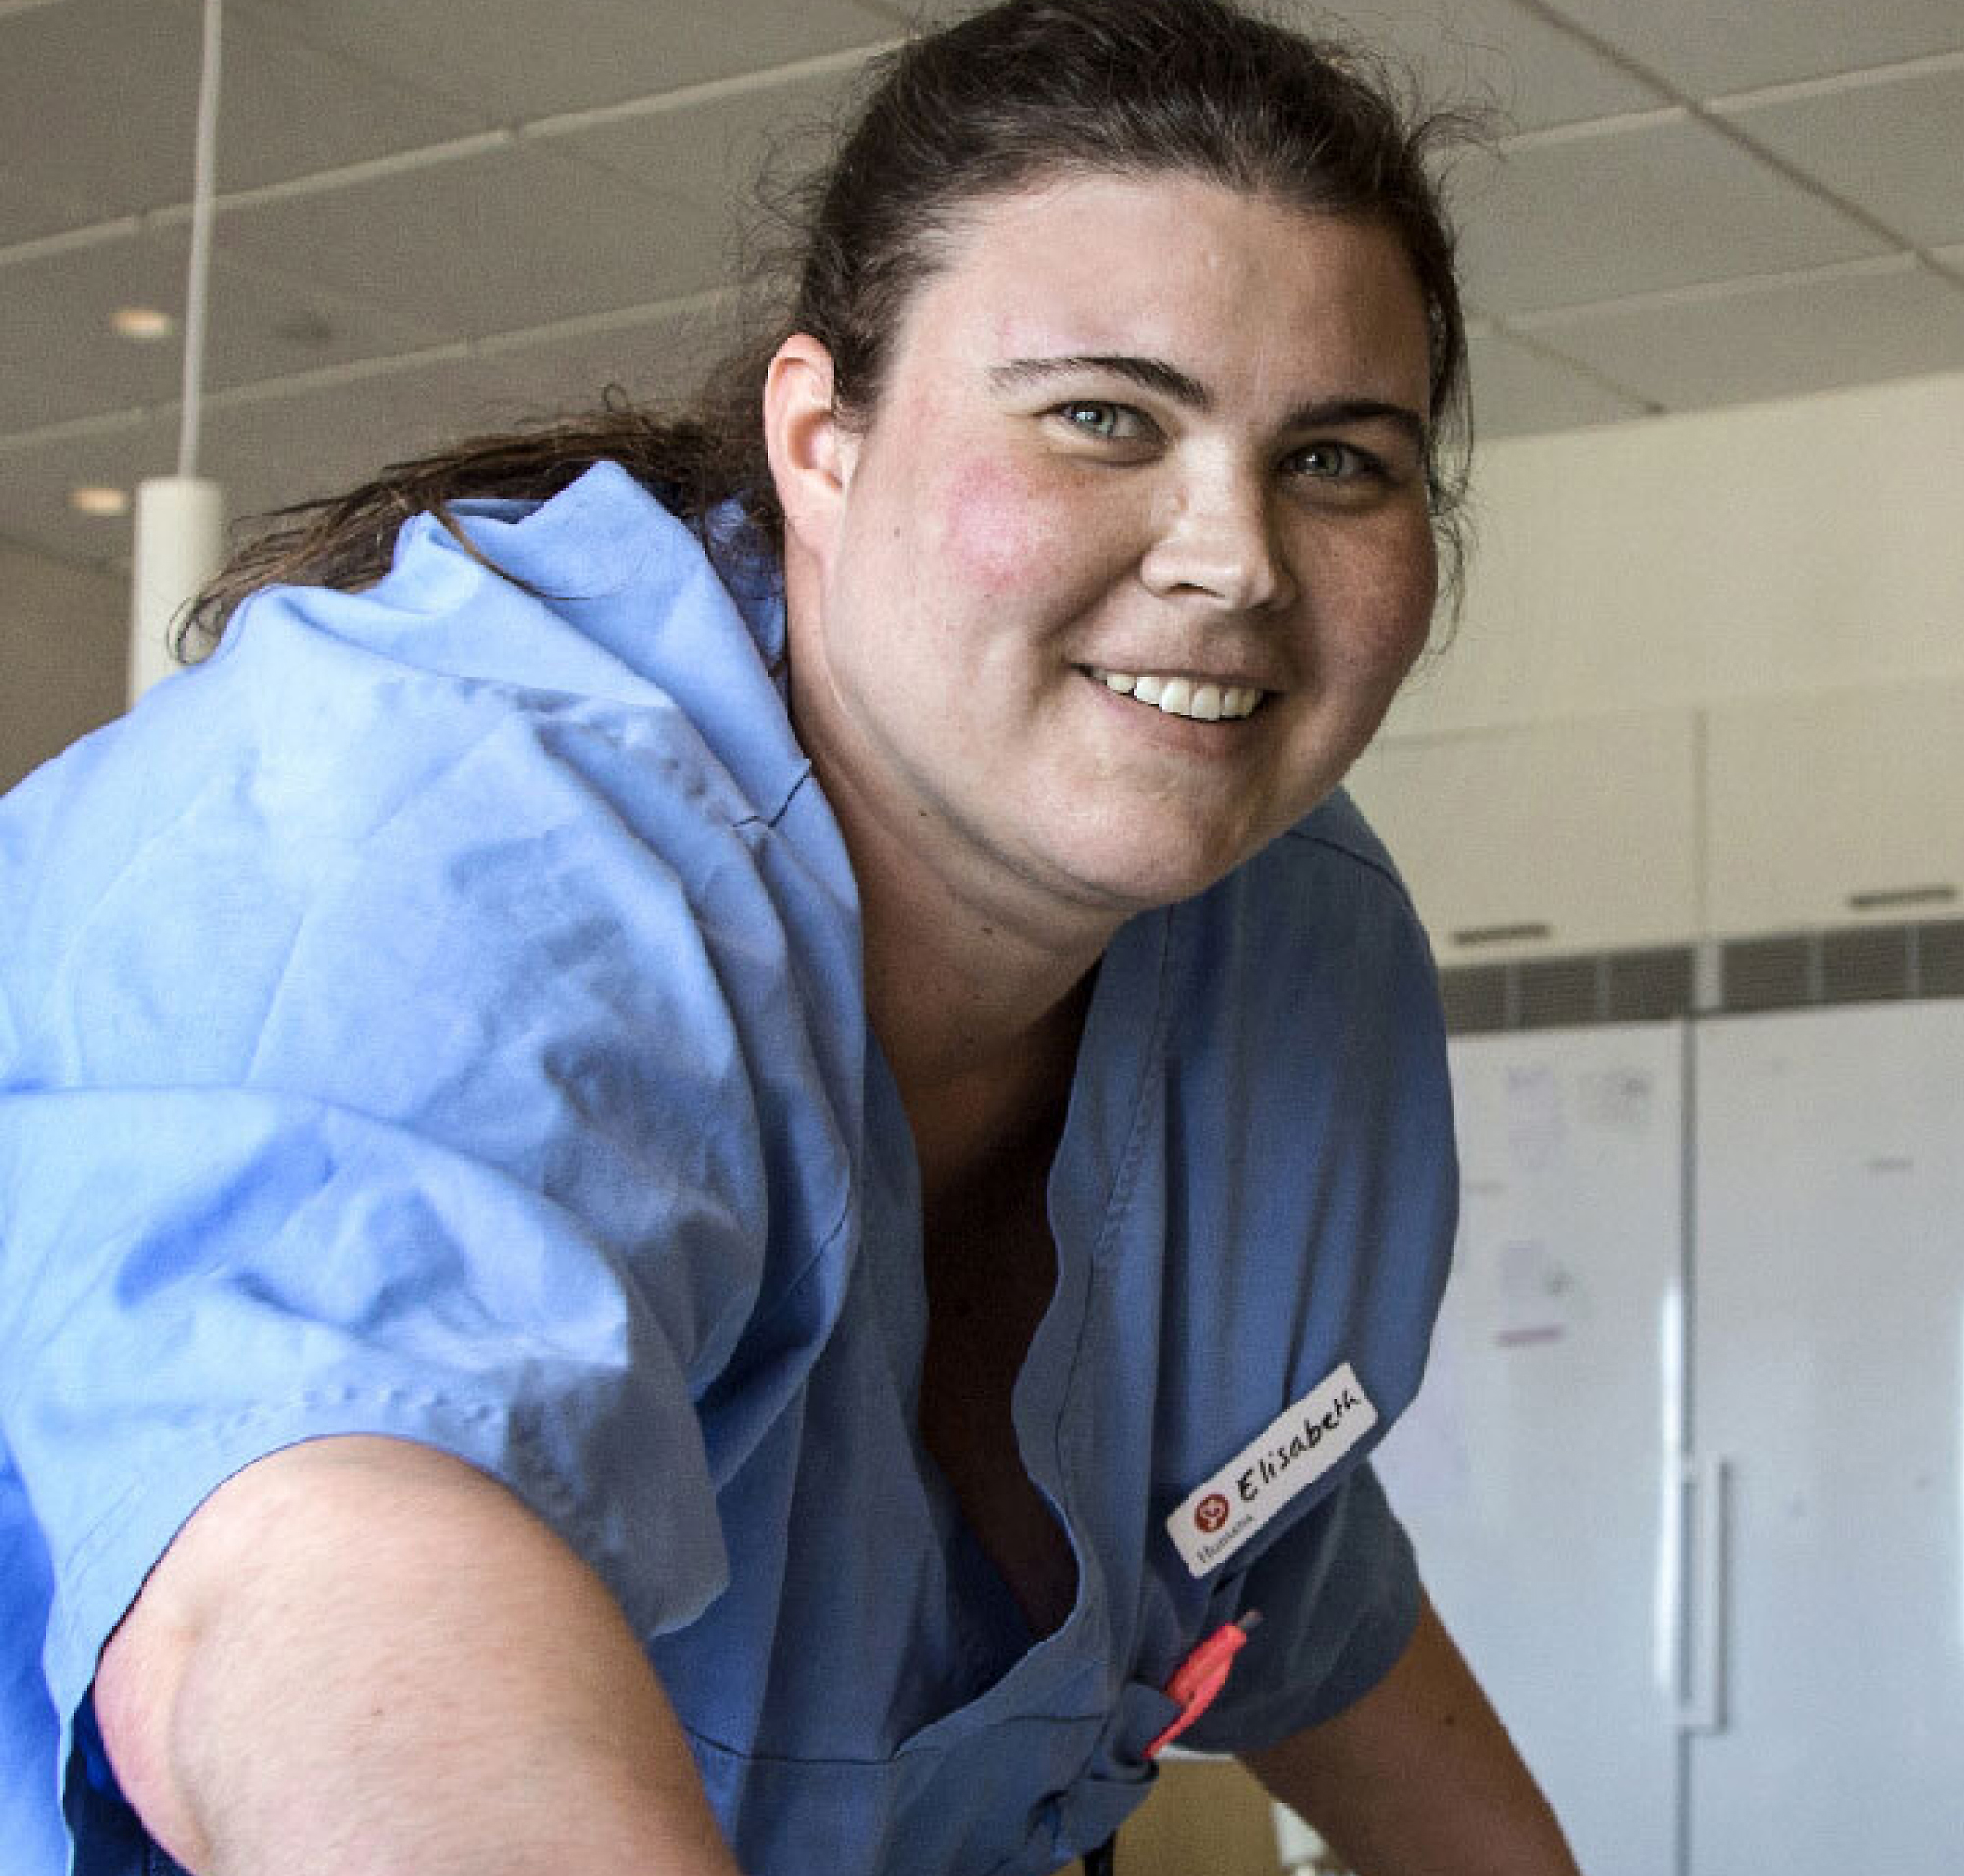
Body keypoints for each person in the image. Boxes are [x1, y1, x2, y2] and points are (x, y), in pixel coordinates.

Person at [0, 1, 1584, 1871]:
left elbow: (1260, 1546)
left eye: (1338, 460)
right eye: (1102, 417)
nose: (1232, 556)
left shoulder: (1292, 941)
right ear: (821, 442)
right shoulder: (437, 837)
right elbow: (320, 1569)